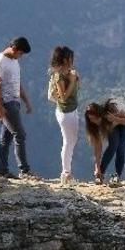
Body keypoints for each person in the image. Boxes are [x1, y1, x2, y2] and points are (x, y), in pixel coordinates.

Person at [0, 36, 36, 179]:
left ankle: (3, 170)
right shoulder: (0, 62)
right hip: (6, 103)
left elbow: (18, 83)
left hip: (15, 102)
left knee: (6, 138)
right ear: (14, 48)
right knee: (20, 134)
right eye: (20, 53)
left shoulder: (14, 61)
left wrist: (26, 101)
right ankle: (24, 170)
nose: (20, 56)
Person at [48, 46, 80, 185]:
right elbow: (64, 97)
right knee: (68, 142)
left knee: (71, 141)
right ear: (66, 59)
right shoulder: (58, 75)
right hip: (66, 113)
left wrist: (75, 79)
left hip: (71, 111)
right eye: (71, 58)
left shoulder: (67, 73)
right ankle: (65, 173)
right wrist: (72, 81)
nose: (73, 61)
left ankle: (67, 172)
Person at [85, 98, 125, 186]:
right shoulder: (93, 124)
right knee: (113, 145)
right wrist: (97, 167)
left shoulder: (111, 111)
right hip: (112, 124)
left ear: (100, 115)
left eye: (95, 119)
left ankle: (117, 176)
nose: (94, 122)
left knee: (120, 147)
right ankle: (100, 174)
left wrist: (116, 119)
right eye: (91, 120)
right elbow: (97, 146)